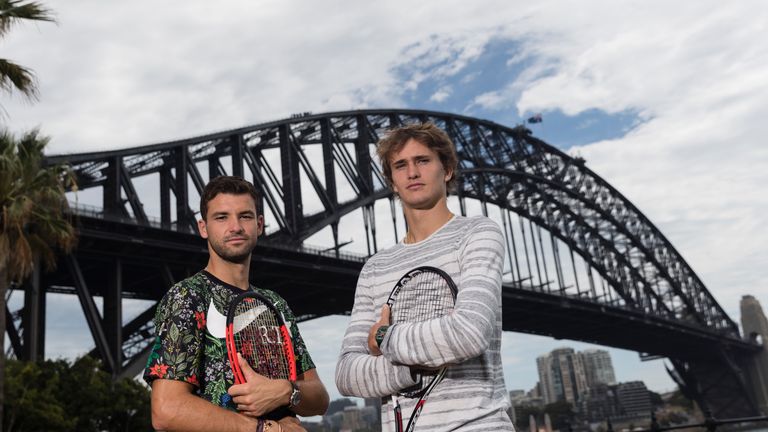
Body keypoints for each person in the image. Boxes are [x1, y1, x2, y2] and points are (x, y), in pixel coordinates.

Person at [335, 123, 514, 431]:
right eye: (400, 165)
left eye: (423, 161)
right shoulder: (375, 267)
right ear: (392, 181)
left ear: (447, 170)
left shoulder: (477, 234)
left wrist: (383, 337)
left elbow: (468, 334)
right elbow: (347, 374)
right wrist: (410, 371)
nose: (412, 173)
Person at [144, 175, 329, 432]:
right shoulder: (187, 297)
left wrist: (286, 391)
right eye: (222, 217)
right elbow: (167, 409)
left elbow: (319, 398)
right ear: (203, 227)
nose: (235, 227)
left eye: (245, 216)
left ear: (259, 224)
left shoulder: (275, 303)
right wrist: (265, 429)